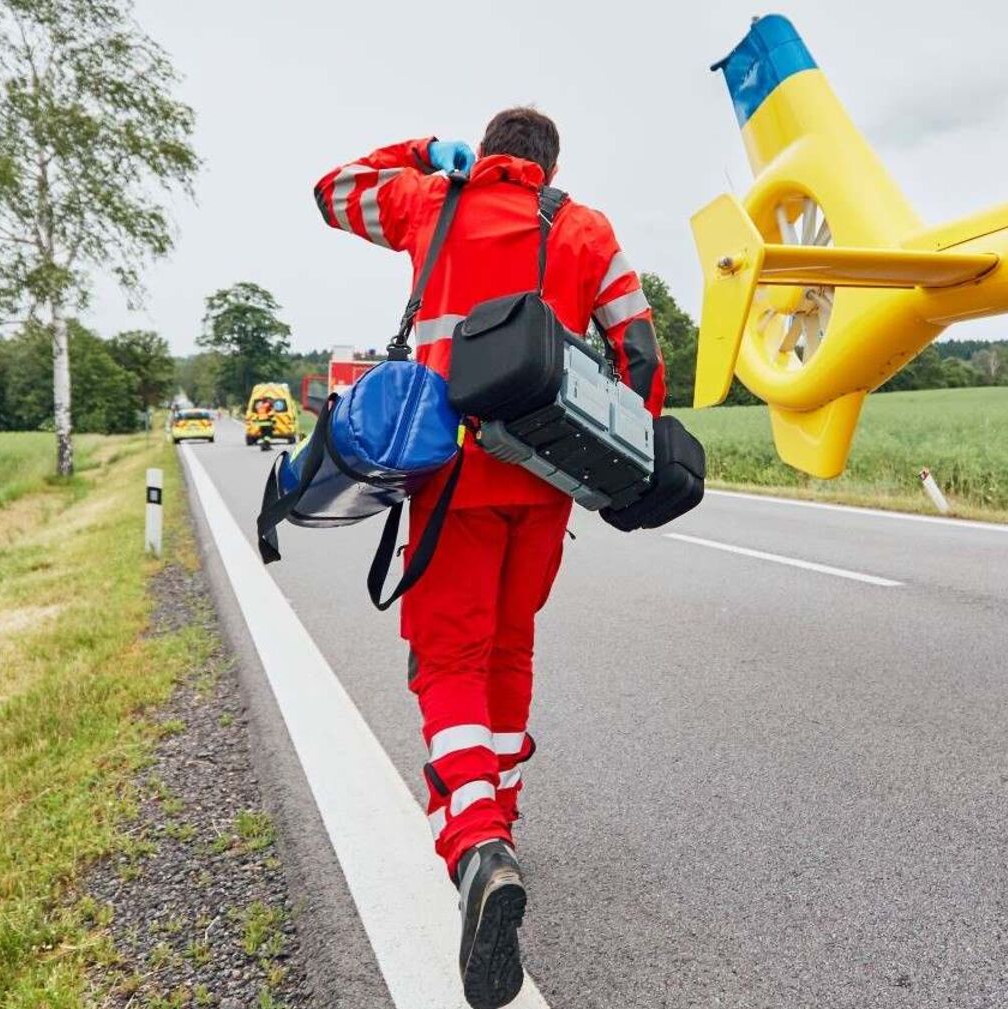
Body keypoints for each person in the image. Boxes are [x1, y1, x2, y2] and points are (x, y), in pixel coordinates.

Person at [311, 107, 664, 1008]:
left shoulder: (436, 200)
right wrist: (618, 452)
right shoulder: (586, 228)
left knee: (451, 662)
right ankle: (499, 810)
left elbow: (334, 190)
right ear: (547, 169)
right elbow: (639, 348)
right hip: (544, 486)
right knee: (510, 651)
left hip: (451, 480)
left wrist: (423, 152)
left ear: (489, 153)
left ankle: (475, 845)